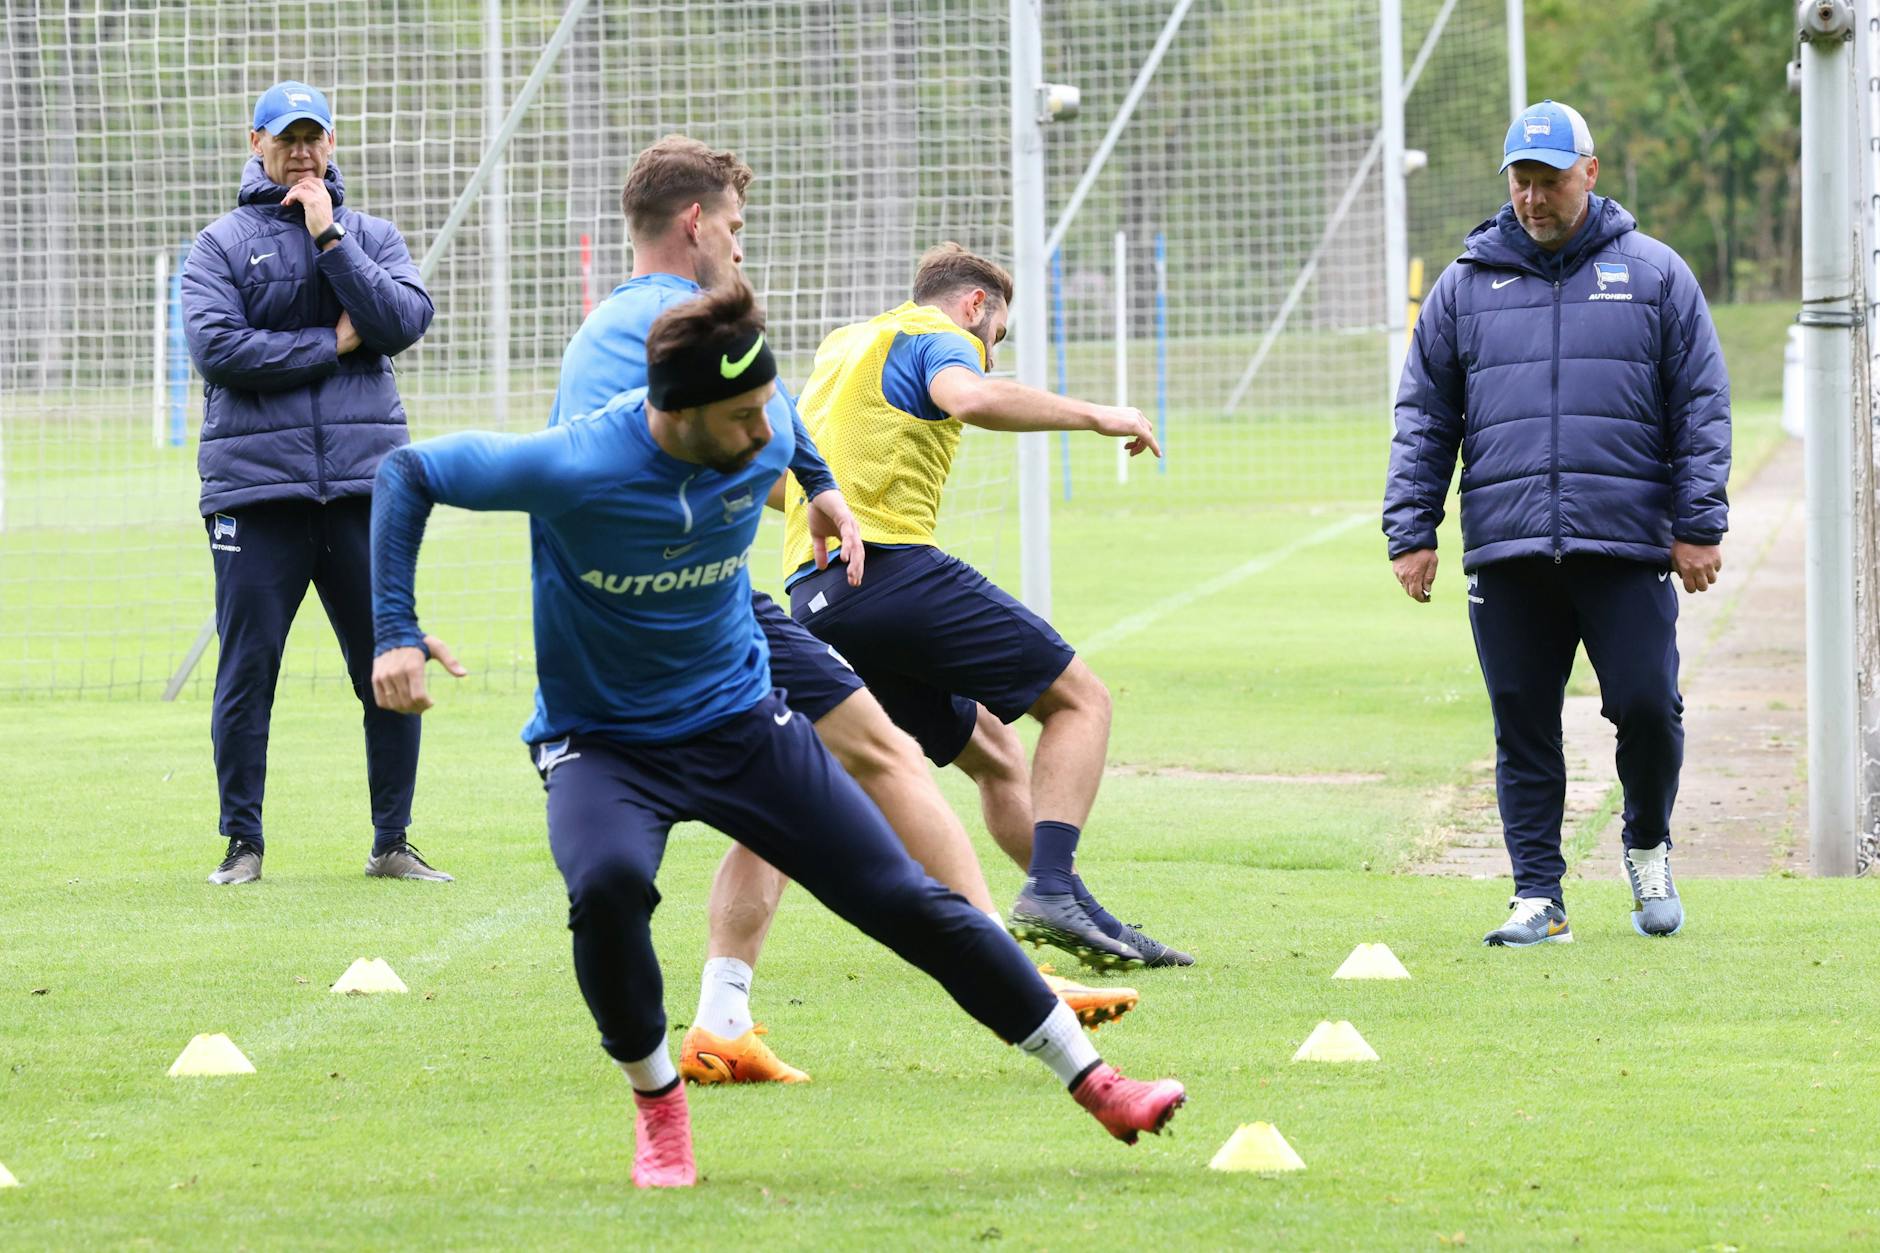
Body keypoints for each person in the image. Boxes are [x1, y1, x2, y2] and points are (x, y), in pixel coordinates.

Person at [368, 278, 1185, 1188]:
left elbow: (791, 427)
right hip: (604, 741)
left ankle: (1098, 1080)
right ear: (676, 414)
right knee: (607, 887)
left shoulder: (759, 436)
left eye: (769, 409)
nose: (768, 437)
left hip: (744, 725)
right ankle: (658, 1102)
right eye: (745, 418)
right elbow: (410, 475)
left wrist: (826, 490)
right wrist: (395, 629)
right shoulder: (574, 464)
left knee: (908, 900)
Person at [550, 135, 1138, 1088]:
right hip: (769, 596)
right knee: (1026, 712)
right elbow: (964, 395)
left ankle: (720, 1017)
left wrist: (814, 496)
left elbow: (740, 446)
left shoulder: (661, 334)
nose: (739, 251)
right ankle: (1028, 946)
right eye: (733, 230)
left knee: (825, 776)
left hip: (760, 592)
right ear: (695, 224)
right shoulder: (711, 321)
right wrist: (1099, 413)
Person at [782, 244, 1193, 971]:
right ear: (975, 305)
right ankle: (1052, 894)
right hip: (887, 568)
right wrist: (1099, 414)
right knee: (1081, 701)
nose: (990, 359)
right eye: (995, 340)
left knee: (995, 750)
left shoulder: (842, 347)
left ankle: (1079, 909)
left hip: (813, 596)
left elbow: (778, 480)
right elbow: (968, 396)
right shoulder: (936, 337)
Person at [1383, 100, 1729, 946]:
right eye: (1521, 181)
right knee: (1522, 722)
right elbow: (1426, 416)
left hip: (1625, 543)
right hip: (1509, 547)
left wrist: (1700, 523)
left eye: (1549, 181)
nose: (1533, 198)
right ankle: (1539, 893)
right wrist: (1412, 528)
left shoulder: (1654, 274)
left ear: (1590, 174)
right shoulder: (1465, 286)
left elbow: (1701, 407)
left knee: (1648, 707)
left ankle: (1646, 843)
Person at [182, 80, 449, 886]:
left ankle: (392, 841)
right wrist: (329, 345)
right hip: (257, 495)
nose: (302, 150)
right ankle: (242, 844)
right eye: (287, 136)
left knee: (389, 662)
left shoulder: (369, 234)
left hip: (367, 492)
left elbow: (403, 321)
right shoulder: (220, 244)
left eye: (315, 137)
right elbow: (219, 351)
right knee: (248, 669)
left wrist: (332, 242)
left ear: (331, 145)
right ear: (256, 141)